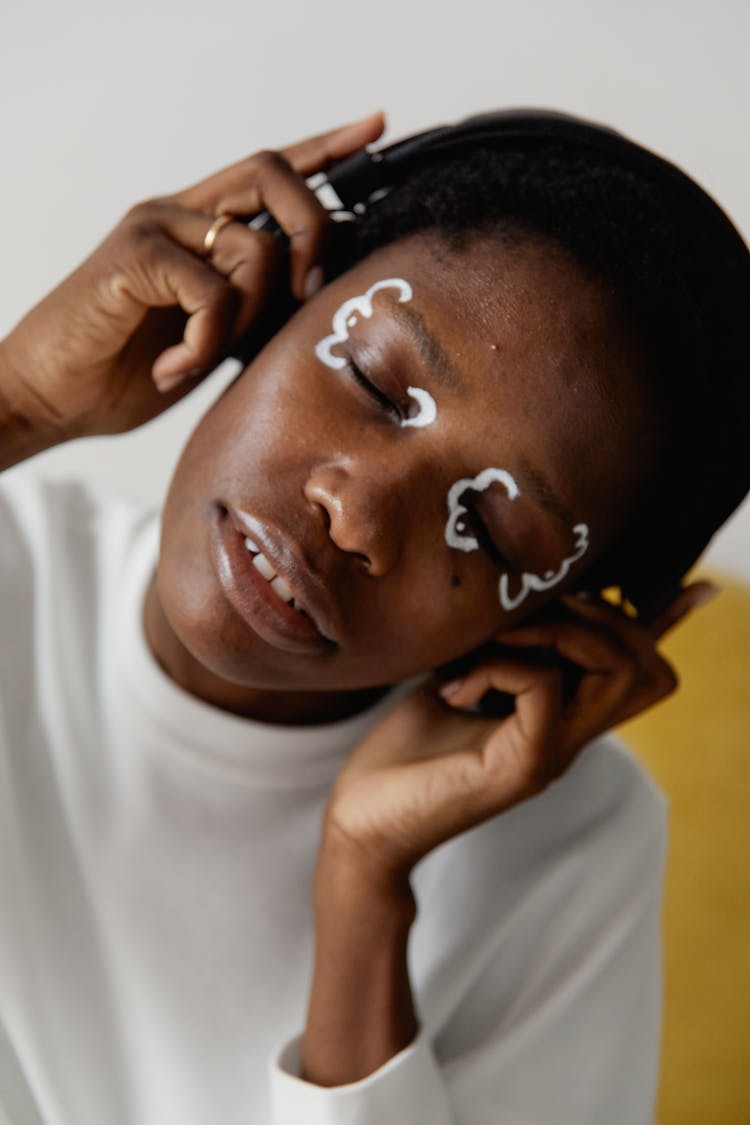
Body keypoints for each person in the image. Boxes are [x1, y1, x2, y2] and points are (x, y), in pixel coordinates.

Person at [0, 110, 747, 1124]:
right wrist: (19, 406)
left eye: (489, 530)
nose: (357, 516)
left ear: (553, 616)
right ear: (269, 311)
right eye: (372, 381)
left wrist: (365, 891)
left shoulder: (571, 848)